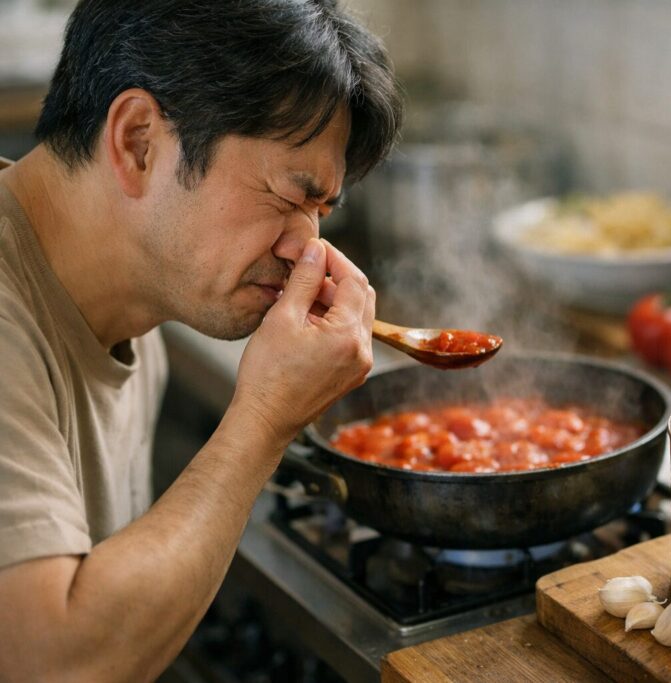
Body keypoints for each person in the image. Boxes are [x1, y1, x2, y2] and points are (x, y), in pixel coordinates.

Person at [0, 1, 401, 680]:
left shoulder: (138, 299)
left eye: (320, 212)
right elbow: (52, 664)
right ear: (138, 141)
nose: (308, 247)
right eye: (290, 195)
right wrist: (264, 420)